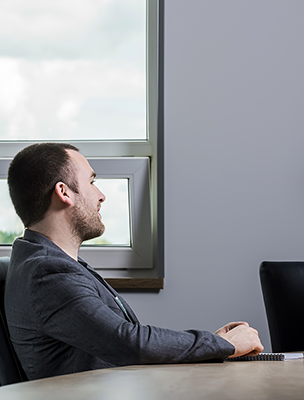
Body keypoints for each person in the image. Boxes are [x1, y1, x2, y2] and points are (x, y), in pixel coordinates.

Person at [4, 143, 263, 380]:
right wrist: (224, 345)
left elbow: (124, 342)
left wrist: (210, 346)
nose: (101, 195)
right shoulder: (47, 272)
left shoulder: (49, 261)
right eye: (92, 182)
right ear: (64, 192)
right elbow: (130, 343)